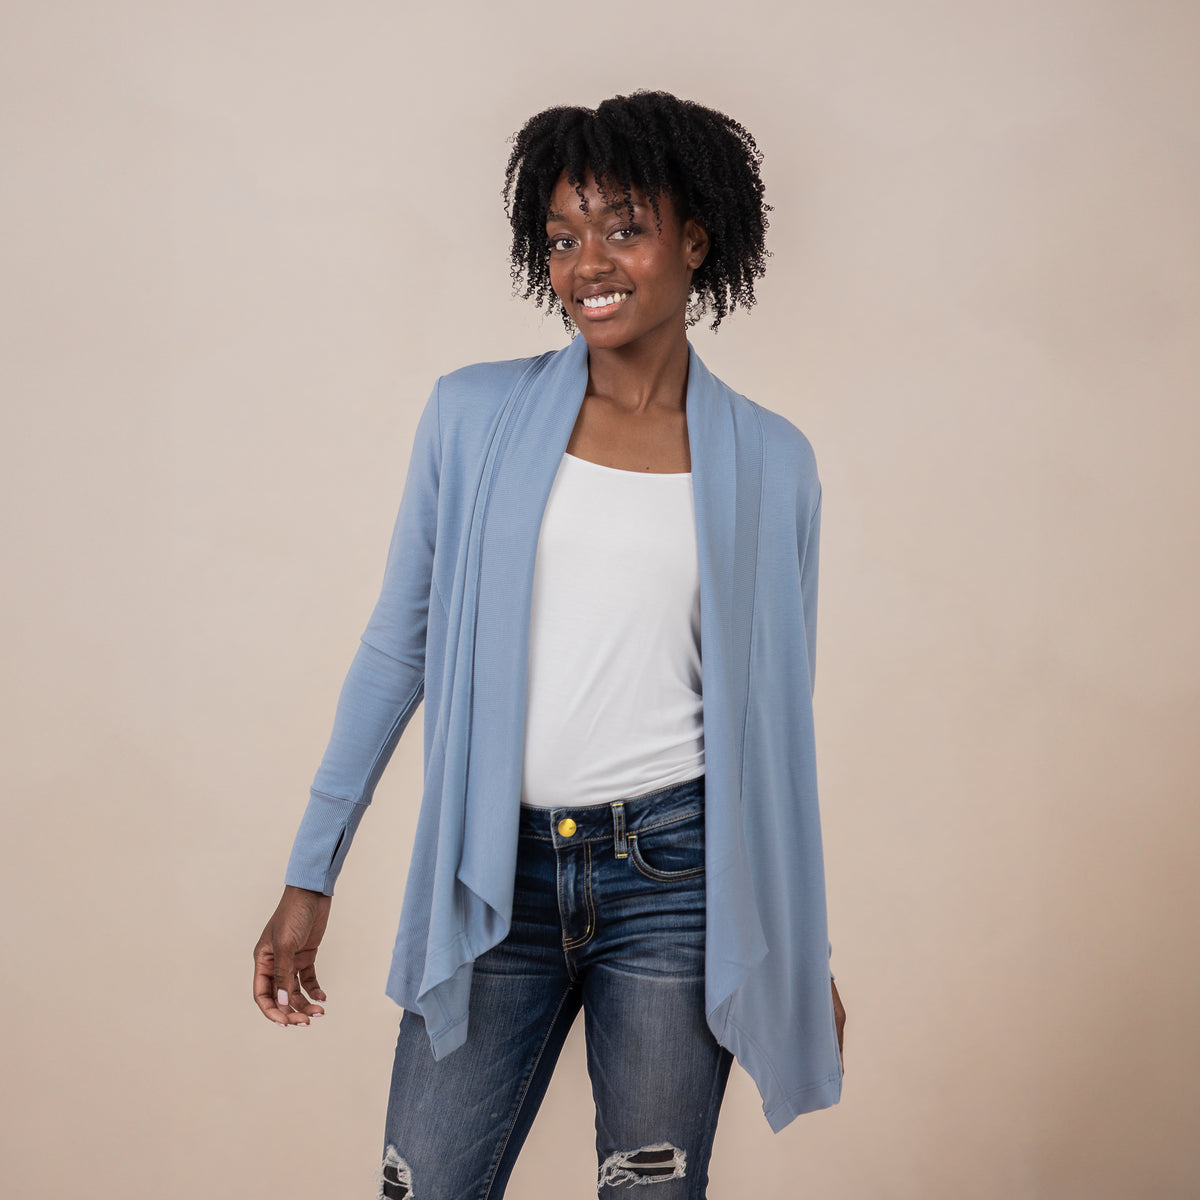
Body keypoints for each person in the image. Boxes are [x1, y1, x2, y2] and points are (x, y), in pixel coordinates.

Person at [253, 89, 846, 1200]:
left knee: (650, 1191)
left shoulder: (774, 464)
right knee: (427, 1184)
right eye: (562, 238)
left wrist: (803, 948)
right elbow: (399, 648)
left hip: (677, 880)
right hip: (495, 878)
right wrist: (310, 872)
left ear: (696, 239)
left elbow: (776, 737)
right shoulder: (473, 419)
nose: (588, 264)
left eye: (623, 227)